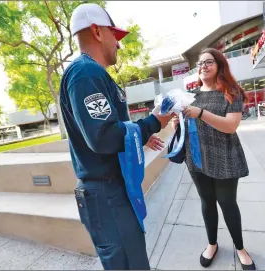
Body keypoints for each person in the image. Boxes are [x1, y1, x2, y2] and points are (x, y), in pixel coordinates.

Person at [59, 3, 172, 270]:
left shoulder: (92, 74)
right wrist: (154, 123)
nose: (119, 45)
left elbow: (110, 128)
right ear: (97, 31)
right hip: (106, 193)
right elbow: (104, 137)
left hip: (109, 191)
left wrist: (140, 136)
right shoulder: (86, 73)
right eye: (115, 35)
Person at [172, 48, 256, 270]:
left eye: (208, 62)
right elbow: (189, 126)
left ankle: (240, 248)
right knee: (206, 202)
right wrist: (178, 123)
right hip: (197, 158)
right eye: (200, 64)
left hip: (225, 156)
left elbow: (230, 126)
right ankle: (212, 244)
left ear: (220, 65)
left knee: (228, 204)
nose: (203, 67)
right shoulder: (191, 96)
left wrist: (199, 113)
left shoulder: (232, 92)